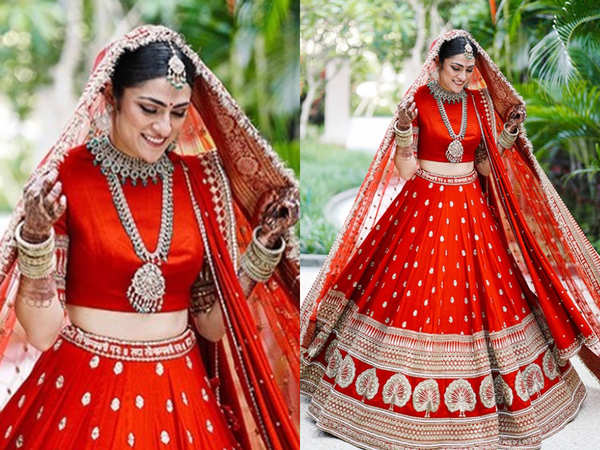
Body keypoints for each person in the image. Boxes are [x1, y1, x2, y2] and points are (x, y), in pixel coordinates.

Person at [0, 25, 300, 449]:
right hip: (84, 394)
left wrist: (264, 246)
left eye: (178, 112)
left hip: (182, 396)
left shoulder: (199, 182)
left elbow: (212, 325)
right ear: (113, 96)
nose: (164, 127)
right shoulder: (68, 177)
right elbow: (43, 332)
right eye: (150, 108)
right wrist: (34, 234)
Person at [300, 29, 600, 449]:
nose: (462, 76)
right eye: (455, 69)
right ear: (437, 64)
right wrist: (404, 132)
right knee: (414, 295)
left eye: (469, 70)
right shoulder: (418, 101)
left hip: (471, 210)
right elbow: (404, 172)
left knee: (486, 296)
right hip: (422, 207)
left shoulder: (480, 102)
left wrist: (507, 137)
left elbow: (484, 167)